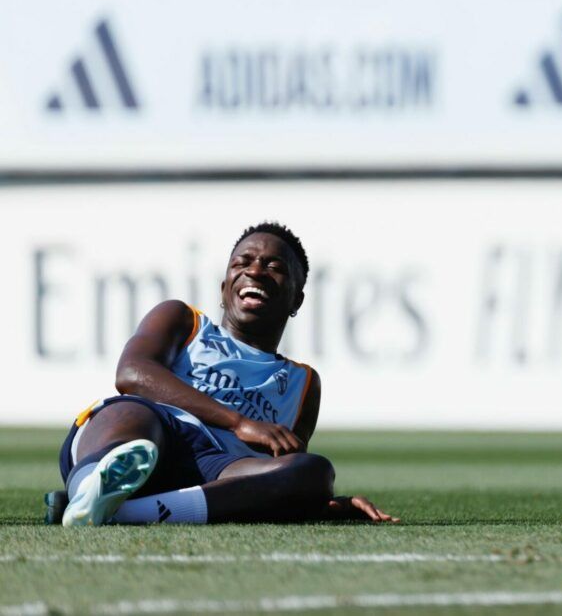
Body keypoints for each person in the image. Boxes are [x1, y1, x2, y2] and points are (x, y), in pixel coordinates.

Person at [51, 222, 397, 526]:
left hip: (217, 469)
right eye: (242, 263)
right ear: (224, 288)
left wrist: (322, 500)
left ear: (297, 300)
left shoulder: (303, 382)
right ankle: (91, 485)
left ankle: (111, 509)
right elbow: (131, 373)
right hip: (149, 431)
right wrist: (238, 423)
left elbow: (277, 472)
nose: (256, 271)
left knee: (314, 472)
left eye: (274, 266)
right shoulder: (184, 320)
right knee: (133, 414)